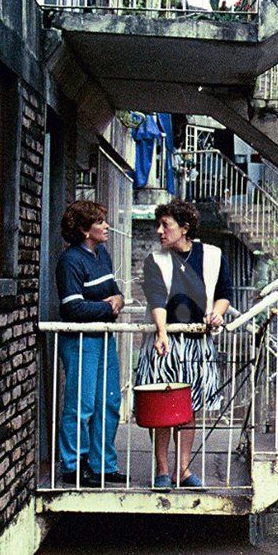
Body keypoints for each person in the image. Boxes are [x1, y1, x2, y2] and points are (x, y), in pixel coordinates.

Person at [135, 199, 233, 490]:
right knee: (162, 406)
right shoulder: (156, 259)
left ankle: (184, 468)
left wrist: (218, 311)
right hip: (166, 340)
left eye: (166, 225)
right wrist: (162, 332)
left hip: (197, 341)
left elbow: (224, 293)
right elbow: (156, 298)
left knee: (190, 407)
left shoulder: (213, 256)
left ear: (185, 228)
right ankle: (162, 468)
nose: (159, 231)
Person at [55, 200, 126, 488]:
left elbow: (114, 292)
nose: (106, 226)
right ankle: (73, 466)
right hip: (81, 340)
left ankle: (103, 465)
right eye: (99, 222)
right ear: (85, 230)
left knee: (108, 402)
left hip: (104, 338)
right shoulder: (70, 260)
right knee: (81, 405)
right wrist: (108, 308)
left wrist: (118, 299)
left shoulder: (103, 255)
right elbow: (73, 307)